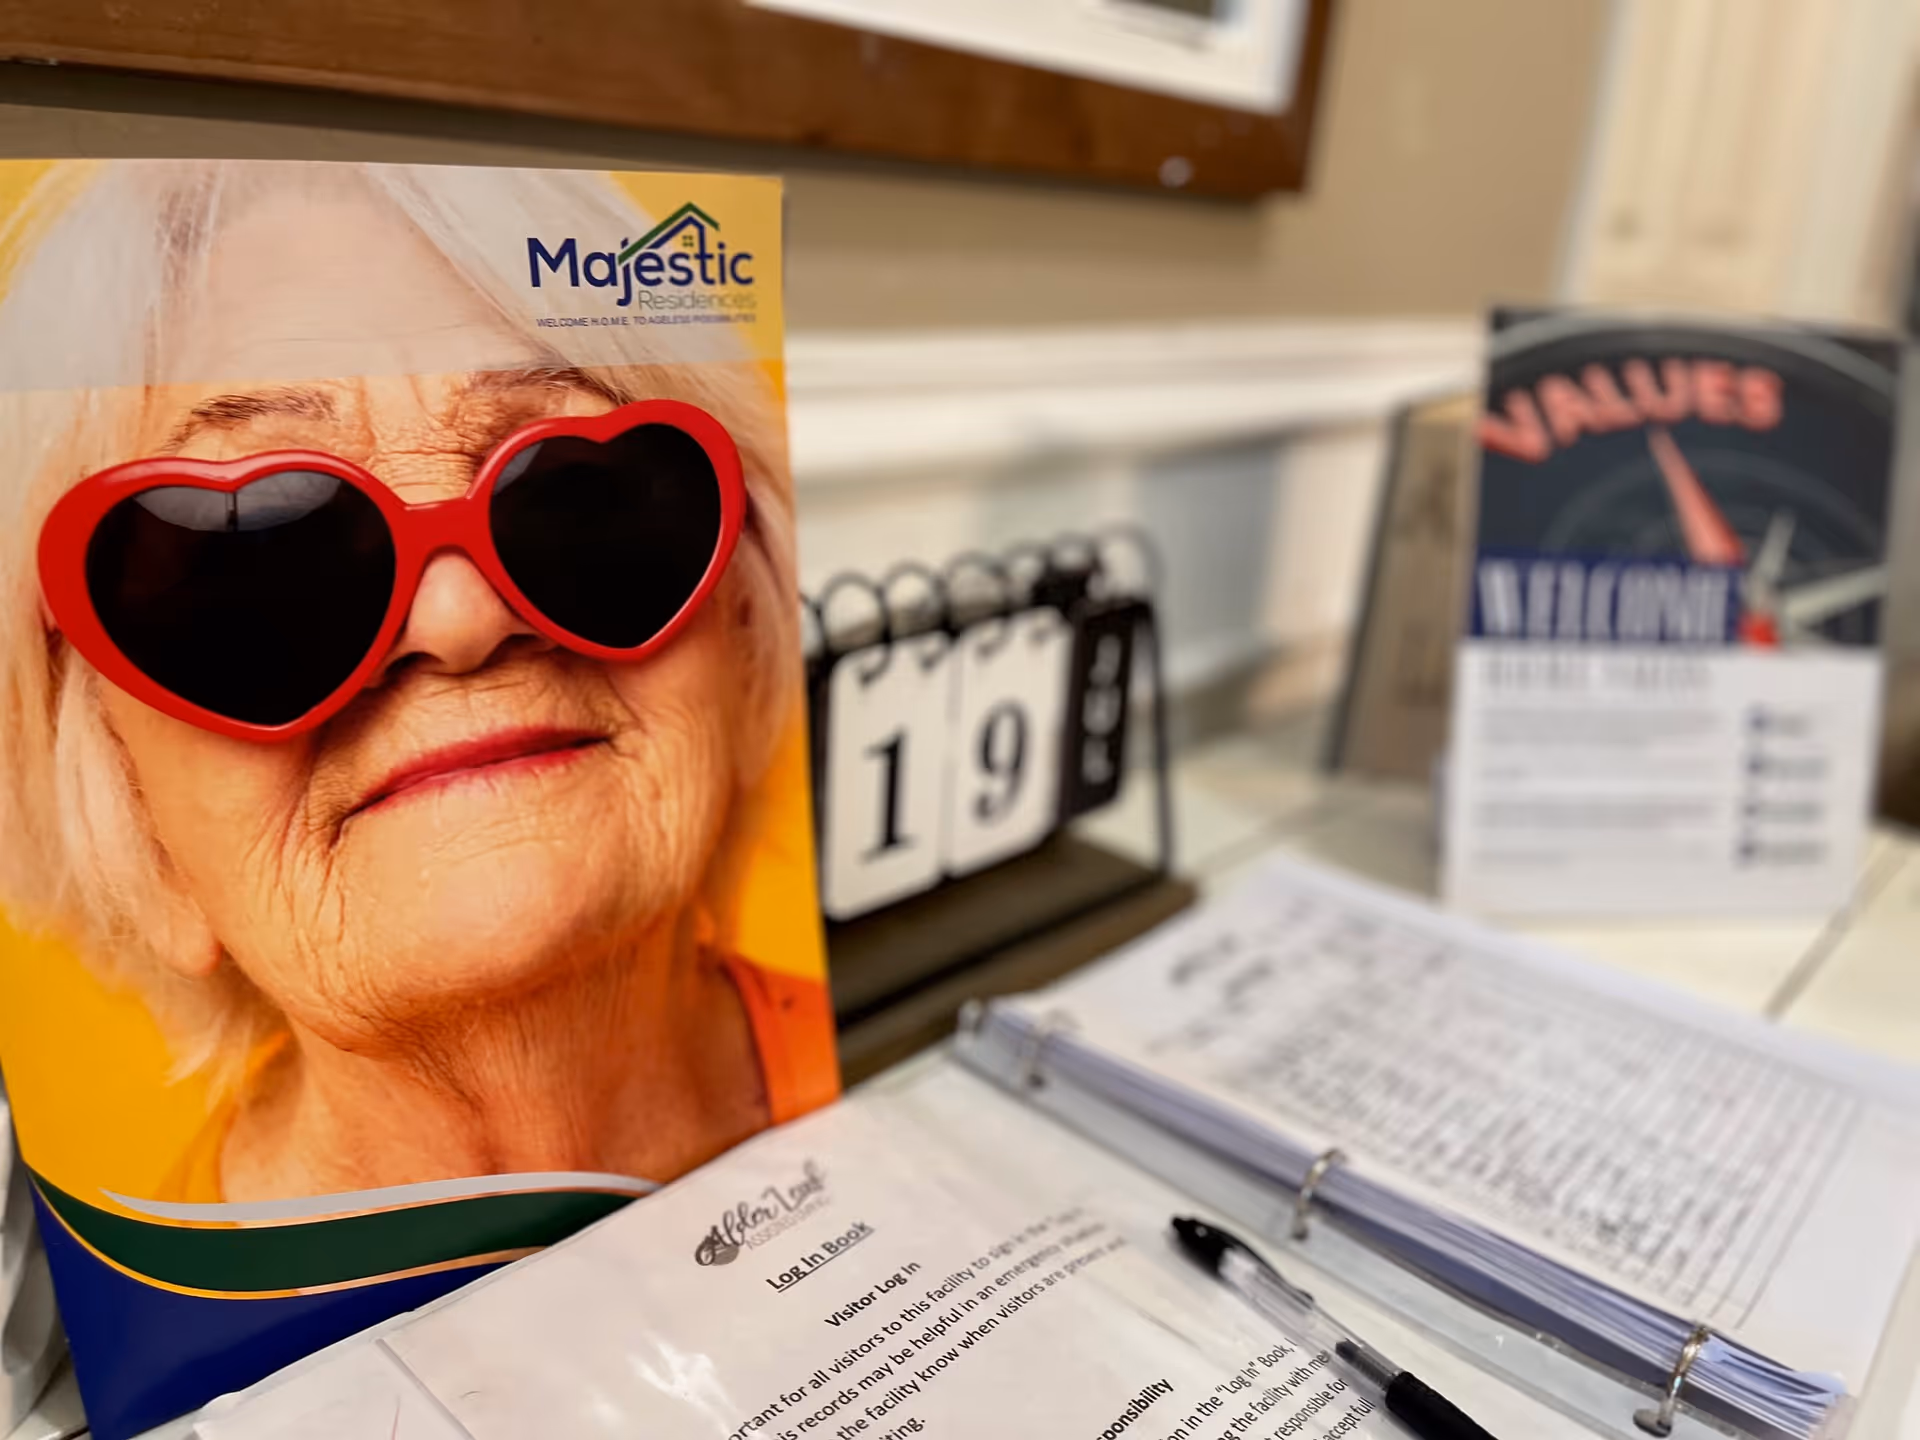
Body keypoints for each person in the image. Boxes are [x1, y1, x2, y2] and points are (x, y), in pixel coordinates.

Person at [0, 160, 832, 1204]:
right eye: (259, 561)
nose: (461, 619)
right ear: (123, 802)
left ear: (745, 615)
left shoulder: (919, 1075)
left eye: (574, 492)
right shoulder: (165, 1327)